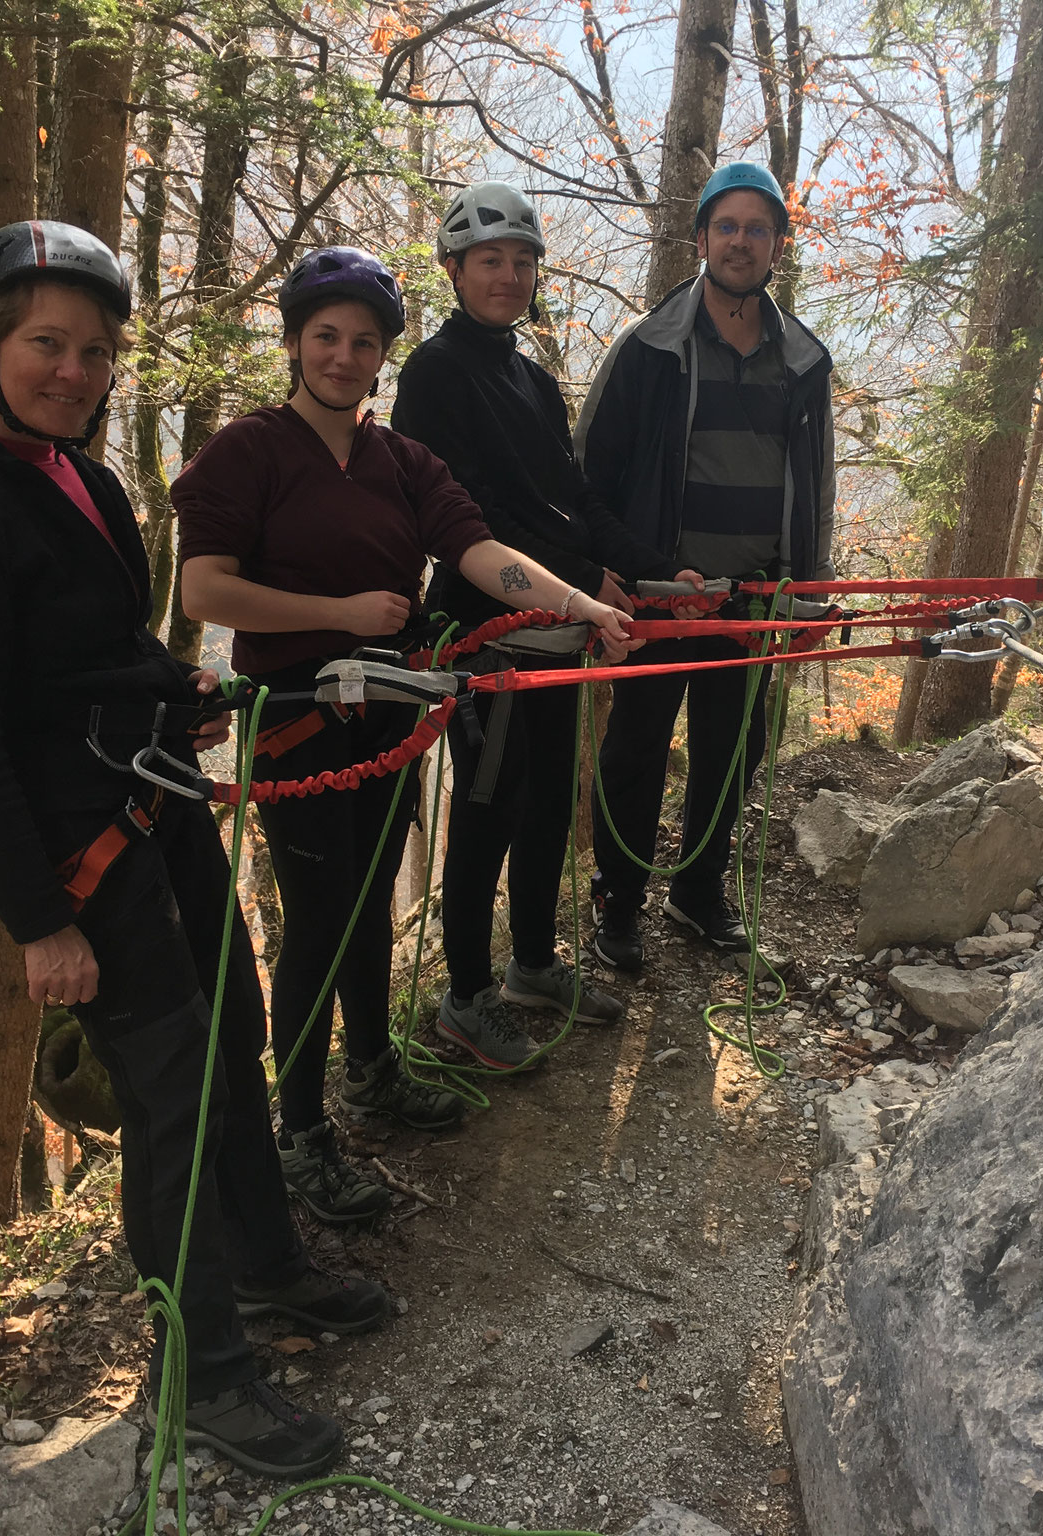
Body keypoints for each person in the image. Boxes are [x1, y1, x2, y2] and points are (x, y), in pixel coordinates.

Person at [0, 221, 379, 1479]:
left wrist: (175, 694)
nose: (74, 370)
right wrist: (38, 921)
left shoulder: (79, 474)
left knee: (238, 1031)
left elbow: (99, 645)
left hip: (149, 800)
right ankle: (202, 1374)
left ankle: (264, 1268)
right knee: (175, 1093)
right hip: (76, 855)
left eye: (95, 350)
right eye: (46, 343)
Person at [174, 247, 639, 1223]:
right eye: (326, 337)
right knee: (316, 922)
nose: (343, 357)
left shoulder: (399, 462)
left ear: (383, 356)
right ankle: (298, 1133)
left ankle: (371, 1068)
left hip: (385, 719)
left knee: (368, 907)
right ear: (296, 342)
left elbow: (479, 553)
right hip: (296, 725)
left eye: (363, 342)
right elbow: (204, 588)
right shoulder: (248, 452)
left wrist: (574, 605)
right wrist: (342, 611)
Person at [389, 183, 707, 1063]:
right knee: (488, 812)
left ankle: (530, 962)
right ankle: (463, 996)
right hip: (486, 634)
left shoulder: (531, 376)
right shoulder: (434, 373)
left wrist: (648, 569)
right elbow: (465, 514)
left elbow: (574, 502)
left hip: (555, 628)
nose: (510, 276)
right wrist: (583, 587)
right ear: (455, 270)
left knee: (539, 808)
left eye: (523, 261)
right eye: (491, 260)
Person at [574, 164, 836, 971]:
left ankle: (696, 891)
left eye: (759, 229)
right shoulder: (649, 349)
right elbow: (588, 478)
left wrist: (809, 590)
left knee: (735, 748)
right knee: (635, 749)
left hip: (754, 598)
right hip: (660, 597)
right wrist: (604, 577)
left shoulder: (801, 362)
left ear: (777, 248)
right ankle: (618, 903)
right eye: (727, 226)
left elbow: (815, 482)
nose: (741, 241)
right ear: (701, 241)